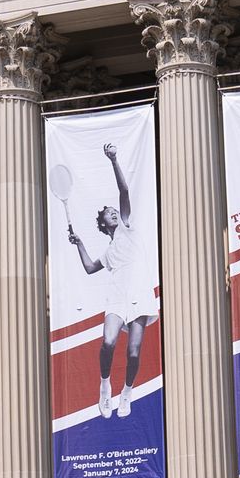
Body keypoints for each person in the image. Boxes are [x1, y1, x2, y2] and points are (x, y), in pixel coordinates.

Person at [68, 143, 155, 419]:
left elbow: (124, 192)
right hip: (117, 296)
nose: (114, 213)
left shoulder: (128, 229)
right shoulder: (109, 250)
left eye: (114, 211)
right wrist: (79, 242)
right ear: (104, 224)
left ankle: (126, 391)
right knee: (108, 342)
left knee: (133, 352)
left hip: (140, 294)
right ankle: (105, 385)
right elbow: (90, 268)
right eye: (109, 213)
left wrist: (113, 160)